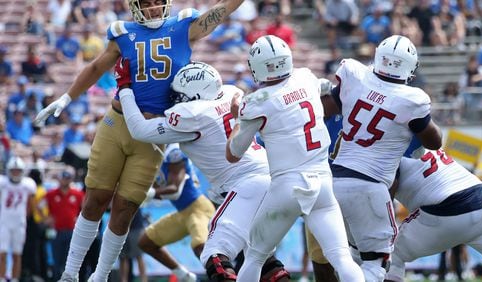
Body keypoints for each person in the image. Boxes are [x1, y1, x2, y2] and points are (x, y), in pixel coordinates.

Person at [33, 0, 248, 280]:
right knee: (96, 198)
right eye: (147, 4)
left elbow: (221, 11)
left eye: (158, 3)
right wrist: (66, 97)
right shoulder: (123, 32)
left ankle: (100, 276)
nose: (153, 9)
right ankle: (71, 273)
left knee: (125, 208)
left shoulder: (183, 25)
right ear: (135, 6)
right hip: (117, 122)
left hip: (155, 132)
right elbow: (98, 67)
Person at [115, 60, 291, 281]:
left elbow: (139, 130)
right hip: (272, 175)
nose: (175, 99)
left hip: (248, 183)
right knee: (261, 258)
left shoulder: (193, 115)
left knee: (214, 256)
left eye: (179, 95)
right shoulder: (230, 93)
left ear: (196, 95)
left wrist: (124, 88)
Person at [225, 35, 364, 282]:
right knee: (341, 258)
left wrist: (238, 117)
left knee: (255, 256)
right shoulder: (305, 76)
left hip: (286, 187)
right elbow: (325, 88)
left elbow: (233, 154)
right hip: (322, 183)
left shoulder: (255, 103)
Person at [318, 35, 442, 281]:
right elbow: (434, 142)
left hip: (335, 182)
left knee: (351, 258)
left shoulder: (355, 75)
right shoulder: (412, 99)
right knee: (376, 264)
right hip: (370, 186)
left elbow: (327, 109)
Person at [385, 150, 482, 282]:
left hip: (445, 209)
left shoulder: (387, 147)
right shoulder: (422, 138)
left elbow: (389, 188)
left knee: (387, 253)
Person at [137, 143, 214, 282]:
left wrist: (152, 193)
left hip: (198, 208)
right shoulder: (151, 158)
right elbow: (154, 191)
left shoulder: (174, 152)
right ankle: (184, 275)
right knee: (146, 242)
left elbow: (175, 190)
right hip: (182, 212)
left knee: (200, 246)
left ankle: (222, 278)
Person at [42, 167, 85, 279]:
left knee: (70, 260)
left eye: (68, 178)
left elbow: (85, 209)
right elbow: (39, 206)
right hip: (56, 231)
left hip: (72, 231)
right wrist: (46, 218)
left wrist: (79, 219)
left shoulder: (77, 194)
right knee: (57, 258)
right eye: (63, 178)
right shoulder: (51, 194)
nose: (65, 181)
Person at [0, 157, 36, 282]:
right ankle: (2, 278)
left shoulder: (28, 184)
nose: (15, 173)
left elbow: (31, 205)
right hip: (4, 221)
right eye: (13, 170)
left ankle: (15, 279)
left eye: (18, 170)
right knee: (2, 253)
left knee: (17, 253)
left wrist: (26, 217)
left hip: (19, 222)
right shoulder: (3, 182)